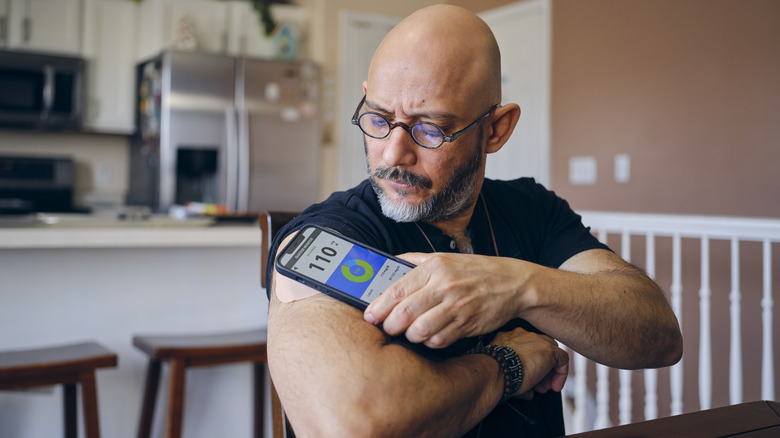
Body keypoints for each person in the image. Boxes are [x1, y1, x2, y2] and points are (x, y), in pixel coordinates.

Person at [265, 5, 682, 437]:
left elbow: (659, 335)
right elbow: (355, 424)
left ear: (496, 130)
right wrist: (506, 367)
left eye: (429, 129)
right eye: (378, 119)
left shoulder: (532, 209)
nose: (392, 154)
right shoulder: (329, 234)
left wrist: (519, 286)